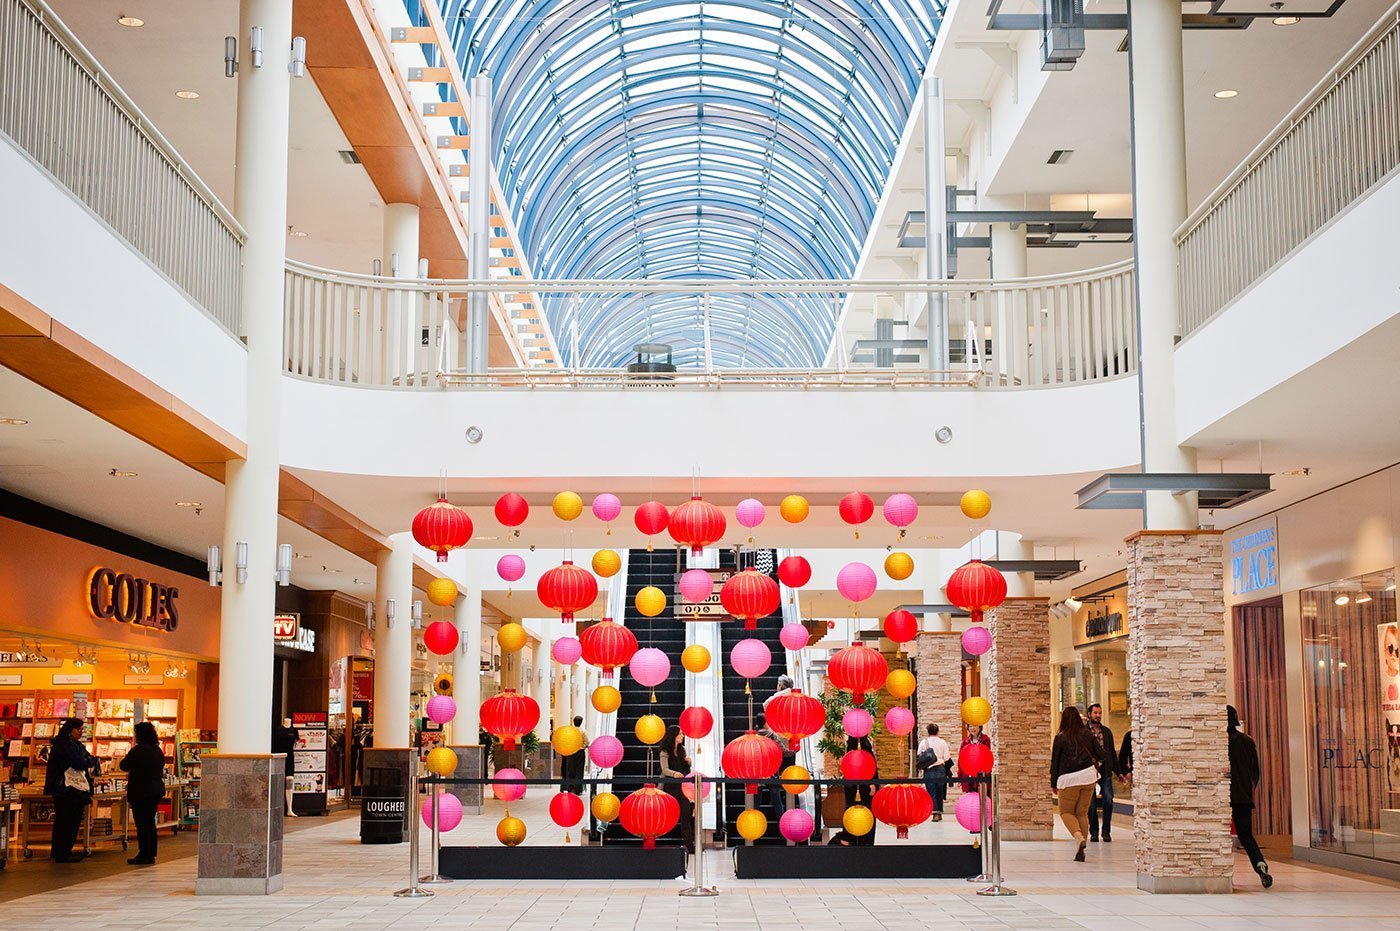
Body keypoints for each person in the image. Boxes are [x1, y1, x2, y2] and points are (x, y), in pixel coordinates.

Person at [1228, 705, 1273, 888]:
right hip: (1244, 798)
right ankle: (1260, 866)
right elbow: (1256, 773)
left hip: (1223, 797)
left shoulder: (1219, 742)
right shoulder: (1248, 741)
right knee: (1246, 836)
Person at [44, 717, 99, 863]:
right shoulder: (64, 746)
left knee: (67, 820)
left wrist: (88, 761)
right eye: (79, 729)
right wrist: (89, 761)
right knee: (67, 821)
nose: (81, 732)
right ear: (70, 730)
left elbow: (89, 759)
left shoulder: (74, 745)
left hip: (70, 788)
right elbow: (81, 762)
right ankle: (63, 852)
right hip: (66, 789)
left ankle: (61, 851)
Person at [1050, 706, 1100, 863]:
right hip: (1088, 777)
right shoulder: (1088, 734)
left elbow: (1055, 762)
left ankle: (1078, 838)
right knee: (1082, 813)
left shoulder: (1060, 737)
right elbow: (1101, 753)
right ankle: (1082, 847)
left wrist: (1053, 782)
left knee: (1066, 812)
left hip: (1069, 779)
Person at [120, 721, 166, 865]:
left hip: (141, 791)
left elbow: (123, 765)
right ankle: (150, 853)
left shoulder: (138, 750)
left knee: (142, 823)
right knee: (150, 822)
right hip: (155, 790)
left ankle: (144, 853)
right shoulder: (157, 750)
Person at [658, 724, 694, 852]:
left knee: (686, 814)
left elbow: (686, 770)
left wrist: (688, 762)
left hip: (682, 787)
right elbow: (664, 769)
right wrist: (674, 774)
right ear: (674, 735)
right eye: (680, 734)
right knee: (667, 815)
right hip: (669, 786)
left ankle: (690, 846)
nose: (682, 736)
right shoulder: (665, 751)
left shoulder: (681, 750)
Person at [1085, 703, 1117, 842]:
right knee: (1090, 803)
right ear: (1089, 714)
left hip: (1105, 771)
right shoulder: (1084, 732)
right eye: (1095, 713)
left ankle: (1106, 831)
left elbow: (1112, 753)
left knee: (1108, 800)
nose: (1098, 716)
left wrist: (1119, 771)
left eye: (1100, 713)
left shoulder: (1107, 732)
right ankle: (1093, 831)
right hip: (1088, 771)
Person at [844, 734, 877, 845]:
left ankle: (855, 841)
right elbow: (865, 764)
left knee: (855, 812)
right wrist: (871, 782)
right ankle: (863, 842)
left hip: (855, 784)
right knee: (863, 812)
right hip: (863, 785)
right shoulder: (859, 744)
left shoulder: (853, 743)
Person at [916, 723, 951, 820]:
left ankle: (935, 812)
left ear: (928, 731)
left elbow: (919, 755)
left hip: (929, 769)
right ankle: (939, 812)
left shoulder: (924, 742)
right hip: (940, 768)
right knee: (940, 791)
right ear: (938, 731)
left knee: (931, 791)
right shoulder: (942, 742)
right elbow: (947, 757)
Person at [273, 717, 299, 817]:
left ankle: (289, 809)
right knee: (279, 781)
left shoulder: (294, 731)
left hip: (290, 757)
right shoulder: (278, 730)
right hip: (279, 756)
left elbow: (296, 744)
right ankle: (279, 808)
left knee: (289, 780)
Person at [560, 715, 589, 794]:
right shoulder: (583, 731)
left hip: (570, 752)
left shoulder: (570, 731)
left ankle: (570, 787)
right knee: (579, 770)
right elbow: (587, 742)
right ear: (581, 722)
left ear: (573, 722)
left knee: (570, 769)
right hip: (580, 752)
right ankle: (578, 789)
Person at [958, 722, 991, 793]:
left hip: (982, 774)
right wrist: (960, 776)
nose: (973, 728)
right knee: (971, 796)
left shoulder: (986, 740)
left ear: (979, 727)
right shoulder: (965, 742)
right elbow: (961, 760)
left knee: (984, 796)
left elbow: (989, 758)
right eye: (970, 726)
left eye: (975, 726)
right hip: (968, 775)